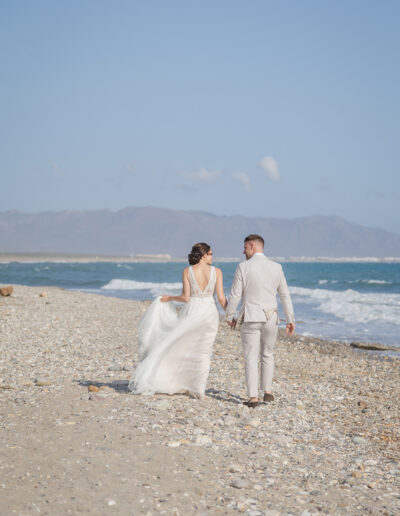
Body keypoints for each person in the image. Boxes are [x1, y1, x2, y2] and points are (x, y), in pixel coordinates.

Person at [129, 243, 227, 399]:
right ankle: (198, 389)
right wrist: (230, 315)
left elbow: (185, 298)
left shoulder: (187, 271)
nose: (212, 256)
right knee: (204, 351)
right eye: (210, 253)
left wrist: (170, 298)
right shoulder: (217, 272)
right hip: (209, 311)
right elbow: (221, 298)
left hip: (192, 309)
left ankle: (175, 380)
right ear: (203, 255)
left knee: (183, 345)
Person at [226, 234, 295, 408]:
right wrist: (290, 319)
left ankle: (253, 398)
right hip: (271, 317)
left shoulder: (243, 267)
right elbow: (285, 295)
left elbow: (235, 294)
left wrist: (229, 316)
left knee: (251, 356)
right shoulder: (277, 267)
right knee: (268, 354)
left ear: (252, 246)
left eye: (245, 247)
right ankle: (268, 391)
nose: (243, 251)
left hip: (251, 316)